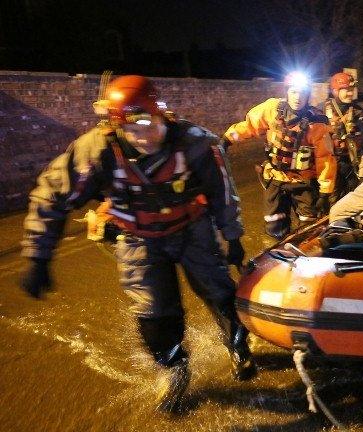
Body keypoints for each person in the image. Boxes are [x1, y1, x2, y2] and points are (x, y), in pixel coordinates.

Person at [19, 75, 257, 412]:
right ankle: (174, 370)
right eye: (129, 128)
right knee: (154, 312)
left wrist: (232, 237)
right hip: (139, 238)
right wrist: (38, 256)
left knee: (219, 290)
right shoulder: (97, 150)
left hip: (192, 229)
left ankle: (237, 344)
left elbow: (223, 192)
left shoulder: (197, 144)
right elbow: (52, 194)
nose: (141, 135)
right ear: (115, 126)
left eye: (147, 123)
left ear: (163, 115)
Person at [224, 71, 337, 240]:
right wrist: (227, 139)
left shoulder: (317, 123)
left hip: (303, 182)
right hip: (275, 178)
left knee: (309, 229)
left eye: (302, 93)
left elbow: (325, 158)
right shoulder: (272, 110)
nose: (298, 97)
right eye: (293, 92)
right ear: (287, 92)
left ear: (308, 96)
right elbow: (249, 125)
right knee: (274, 226)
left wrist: (325, 192)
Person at [323, 72, 363, 204]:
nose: (350, 93)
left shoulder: (360, 113)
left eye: (351, 90)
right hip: (329, 168)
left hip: (352, 167)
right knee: (330, 206)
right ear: (335, 91)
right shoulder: (321, 111)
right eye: (346, 90)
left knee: (354, 205)